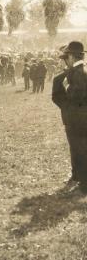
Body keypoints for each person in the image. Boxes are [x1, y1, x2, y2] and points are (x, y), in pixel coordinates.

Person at [52, 41, 87, 195]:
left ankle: (84, 185)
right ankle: (80, 179)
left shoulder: (78, 72)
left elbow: (76, 96)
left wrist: (66, 86)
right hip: (81, 117)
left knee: (79, 149)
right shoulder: (82, 69)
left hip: (77, 119)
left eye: (68, 56)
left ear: (72, 56)